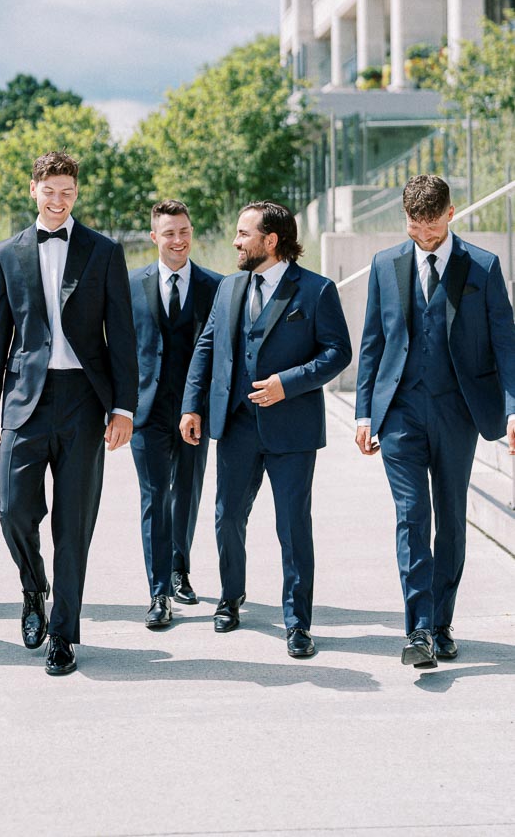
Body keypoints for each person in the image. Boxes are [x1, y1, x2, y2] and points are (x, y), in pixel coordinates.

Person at [0, 151, 138, 676]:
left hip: (85, 403)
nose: (58, 199)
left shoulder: (105, 252)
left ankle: (64, 635)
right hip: (25, 399)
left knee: (74, 524)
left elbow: (123, 339)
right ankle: (32, 588)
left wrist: (124, 407)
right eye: (50, 190)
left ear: (76, 194)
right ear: (33, 190)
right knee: (11, 509)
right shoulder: (7, 253)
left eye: (67, 191)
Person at [355, 174, 515, 668]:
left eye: (430, 224)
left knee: (449, 520)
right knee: (411, 516)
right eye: (413, 224)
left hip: (458, 412)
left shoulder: (483, 267)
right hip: (400, 413)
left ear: (450, 213)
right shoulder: (385, 265)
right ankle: (419, 629)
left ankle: (442, 623)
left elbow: (506, 344)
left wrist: (512, 408)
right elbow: (373, 343)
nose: (422, 234)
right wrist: (364, 411)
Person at [181, 202, 351, 659]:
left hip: (291, 430)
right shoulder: (229, 287)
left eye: (243, 233)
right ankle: (230, 596)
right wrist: (192, 406)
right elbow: (208, 345)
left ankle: (298, 623)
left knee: (293, 527)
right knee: (227, 517)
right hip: (235, 425)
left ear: (270, 240)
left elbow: (337, 352)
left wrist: (287, 384)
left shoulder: (316, 290)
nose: (235, 241)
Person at [129, 200, 221, 629]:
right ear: (154, 237)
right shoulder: (130, 285)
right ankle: (159, 591)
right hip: (145, 411)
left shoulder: (215, 286)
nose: (178, 240)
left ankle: (180, 568)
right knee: (153, 498)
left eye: (183, 231)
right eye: (169, 233)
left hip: (193, 412)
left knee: (186, 492)